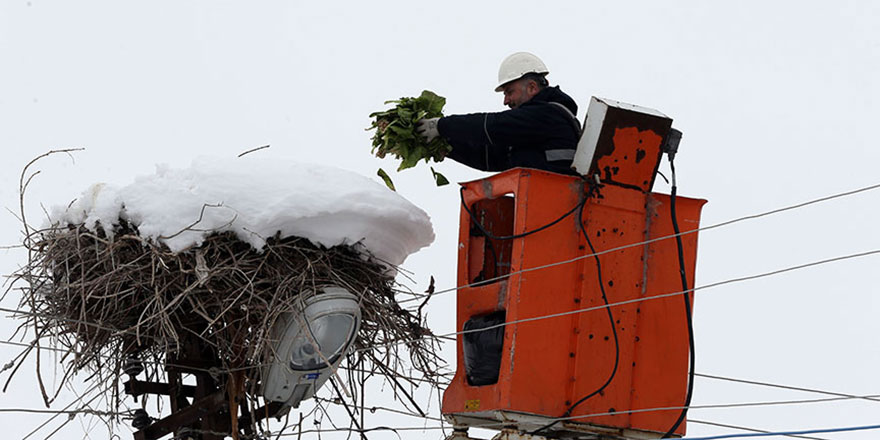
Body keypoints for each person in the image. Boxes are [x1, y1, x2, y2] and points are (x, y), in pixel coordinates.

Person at [416, 52, 581, 175]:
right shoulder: (534, 129)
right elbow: (491, 157)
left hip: (553, 201)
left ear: (531, 87)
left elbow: (493, 126)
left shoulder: (547, 115)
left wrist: (440, 125)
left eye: (509, 92)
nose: (506, 101)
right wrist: (449, 147)